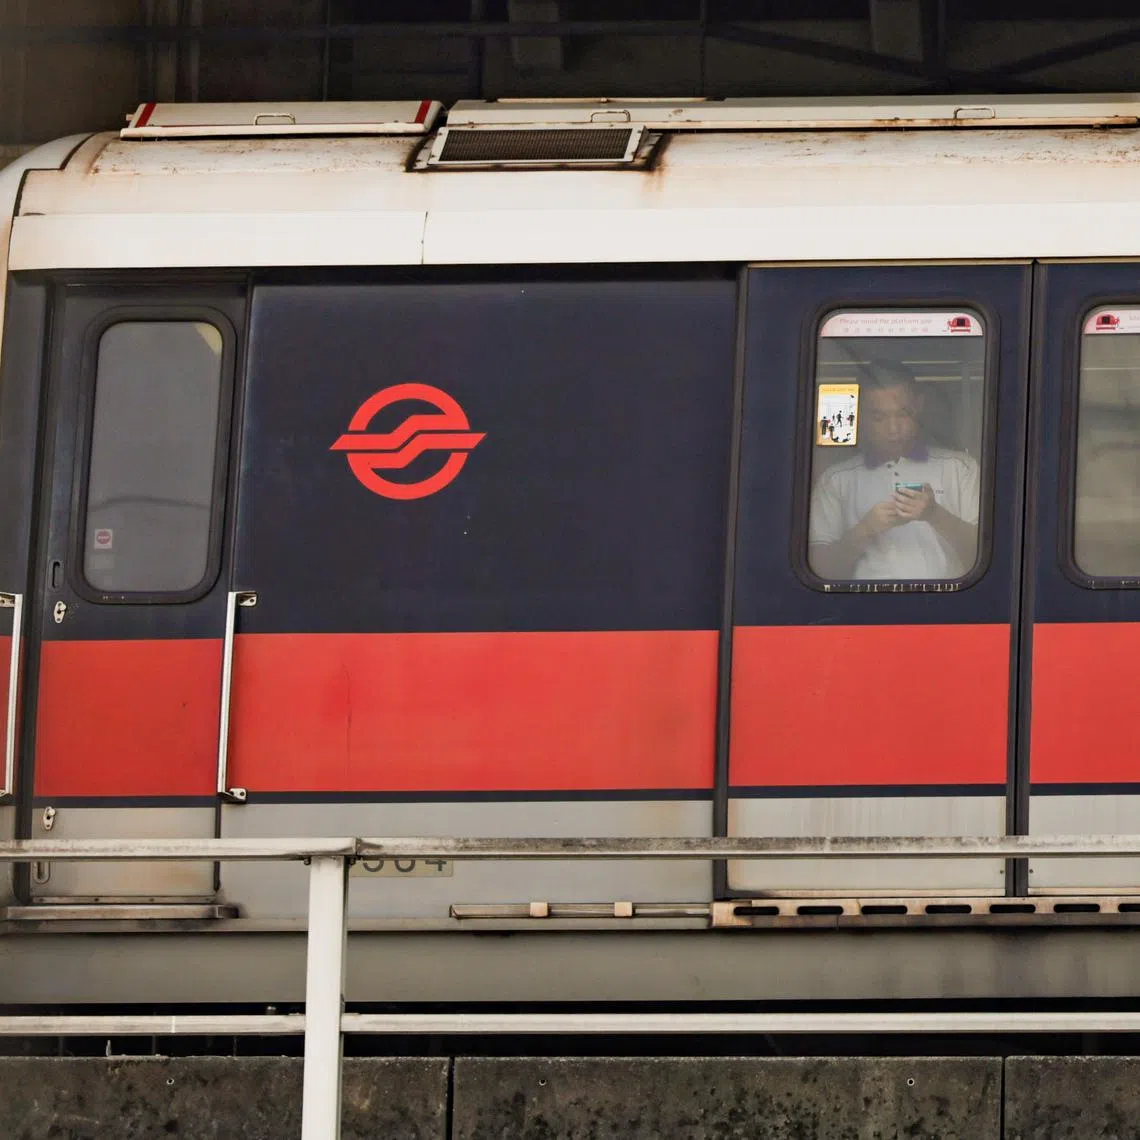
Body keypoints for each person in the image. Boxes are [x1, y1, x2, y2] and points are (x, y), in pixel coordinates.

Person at [808, 369, 979, 580]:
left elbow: (989, 559)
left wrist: (935, 514)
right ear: (859, 413)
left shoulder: (961, 469)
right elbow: (819, 571)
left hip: (949, 604)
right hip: (864, 607)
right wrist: (865, 530)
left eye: (903, 413)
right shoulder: (836, 480)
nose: (893, 428)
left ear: (919, 407)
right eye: (879, 417)